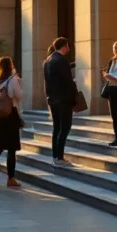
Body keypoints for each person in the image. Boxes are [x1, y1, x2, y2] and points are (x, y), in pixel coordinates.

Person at [0, 56, 24, 188]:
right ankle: (11, 178)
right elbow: (19, 96)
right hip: (10, 116)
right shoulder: (13, 80)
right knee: (12, 149)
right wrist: (18, 82)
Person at [44, 37, 77, 166]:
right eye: (68, 46)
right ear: (64, 46)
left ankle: (56, 156)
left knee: (56, 128)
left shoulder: (48, 61)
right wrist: (75, 100)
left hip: (53, 99)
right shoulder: (62, 60)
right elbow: (68, 82)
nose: (69, 48)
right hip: (63, 100)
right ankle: (60, 157)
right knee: (65, 127)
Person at [101, 41, 117, 146]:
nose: (116, 49)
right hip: (111, 89)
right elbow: (109, 74)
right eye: (114, 47)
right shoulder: (112, 61)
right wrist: (106, 75)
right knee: (114, 115)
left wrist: (111, 77)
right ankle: (116, 137)